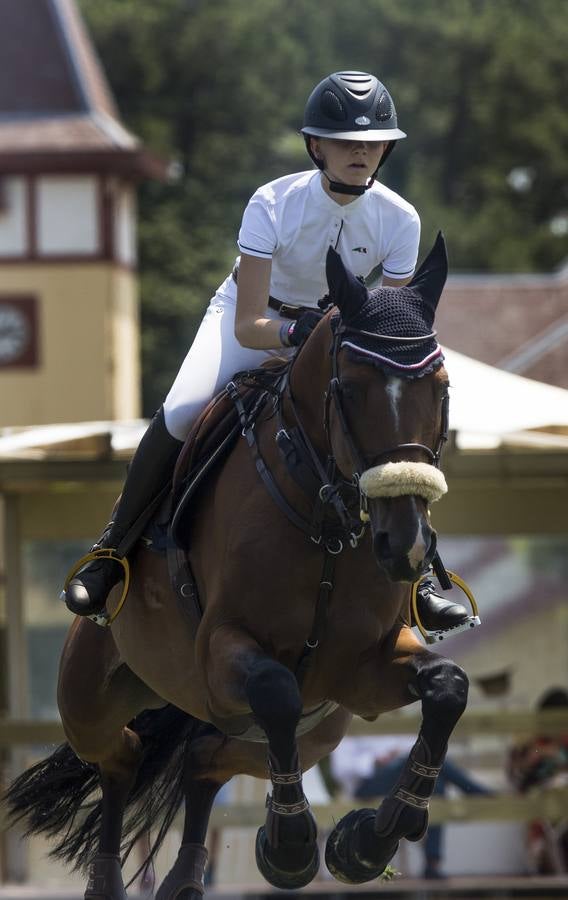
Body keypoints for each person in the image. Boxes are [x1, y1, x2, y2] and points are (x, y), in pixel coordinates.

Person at [62, 70, 468, 633]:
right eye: (347, 143)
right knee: (182, 412)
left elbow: (384, 329)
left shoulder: (400, 219)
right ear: (316, 146)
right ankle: (111, 553)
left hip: (336, 340)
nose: (361, 152)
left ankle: (420, 578)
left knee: (388, 427)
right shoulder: (273, 203)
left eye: (373, 142)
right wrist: (297, 335)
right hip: (255, 321)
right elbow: (252, 325)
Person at [352, 738, 493, 879]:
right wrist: (375, 760)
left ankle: (432, 864)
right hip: (367, 784)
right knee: (433, 764)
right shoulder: (349, 723)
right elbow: (342, 767)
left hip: (397, 777)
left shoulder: (389, 723)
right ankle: (476, 792)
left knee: (436, 785)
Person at [507, 687, 568, 874]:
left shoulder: (564, 741)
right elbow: (516, 775)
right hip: (540, 801)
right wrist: (532, 757)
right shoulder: (531, 743)